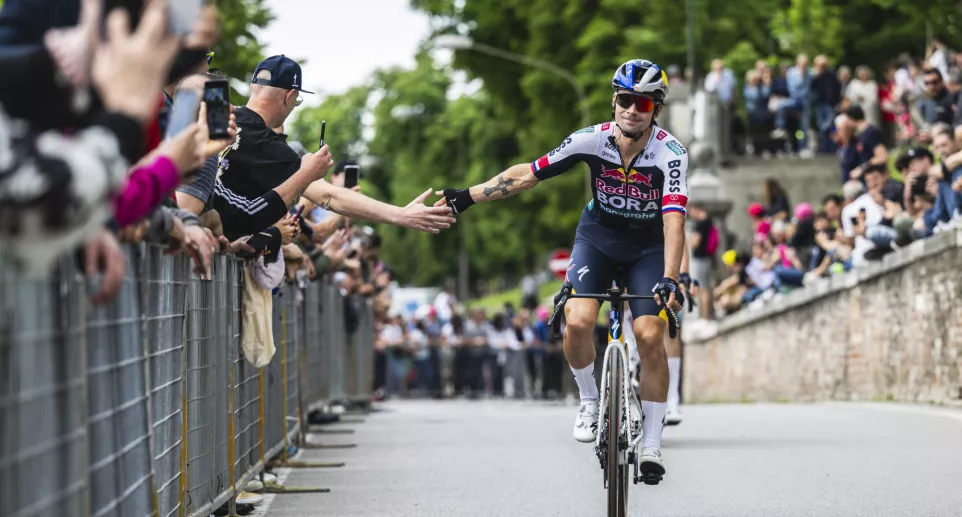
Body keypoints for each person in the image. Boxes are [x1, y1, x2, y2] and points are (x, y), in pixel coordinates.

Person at [437, 59, 688, 479]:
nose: (632, 109)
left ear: (655, 110)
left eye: (642, 103)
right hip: (598, 239)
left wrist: (670, 278)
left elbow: (675, 220)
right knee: (577, 321)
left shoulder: (671, 153)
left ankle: (651, 444)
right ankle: (589, 399)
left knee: (649, 333)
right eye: (625, 100)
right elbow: (529, 175)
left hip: (649, 247)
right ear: (614, 101)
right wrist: (466, 196)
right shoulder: (591, 140)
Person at [214, 54, 454, 241]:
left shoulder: (220, 118)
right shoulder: (266, 145)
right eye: (296, 101)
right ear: (290, 95)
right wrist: (400, 214)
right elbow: (329, 196)